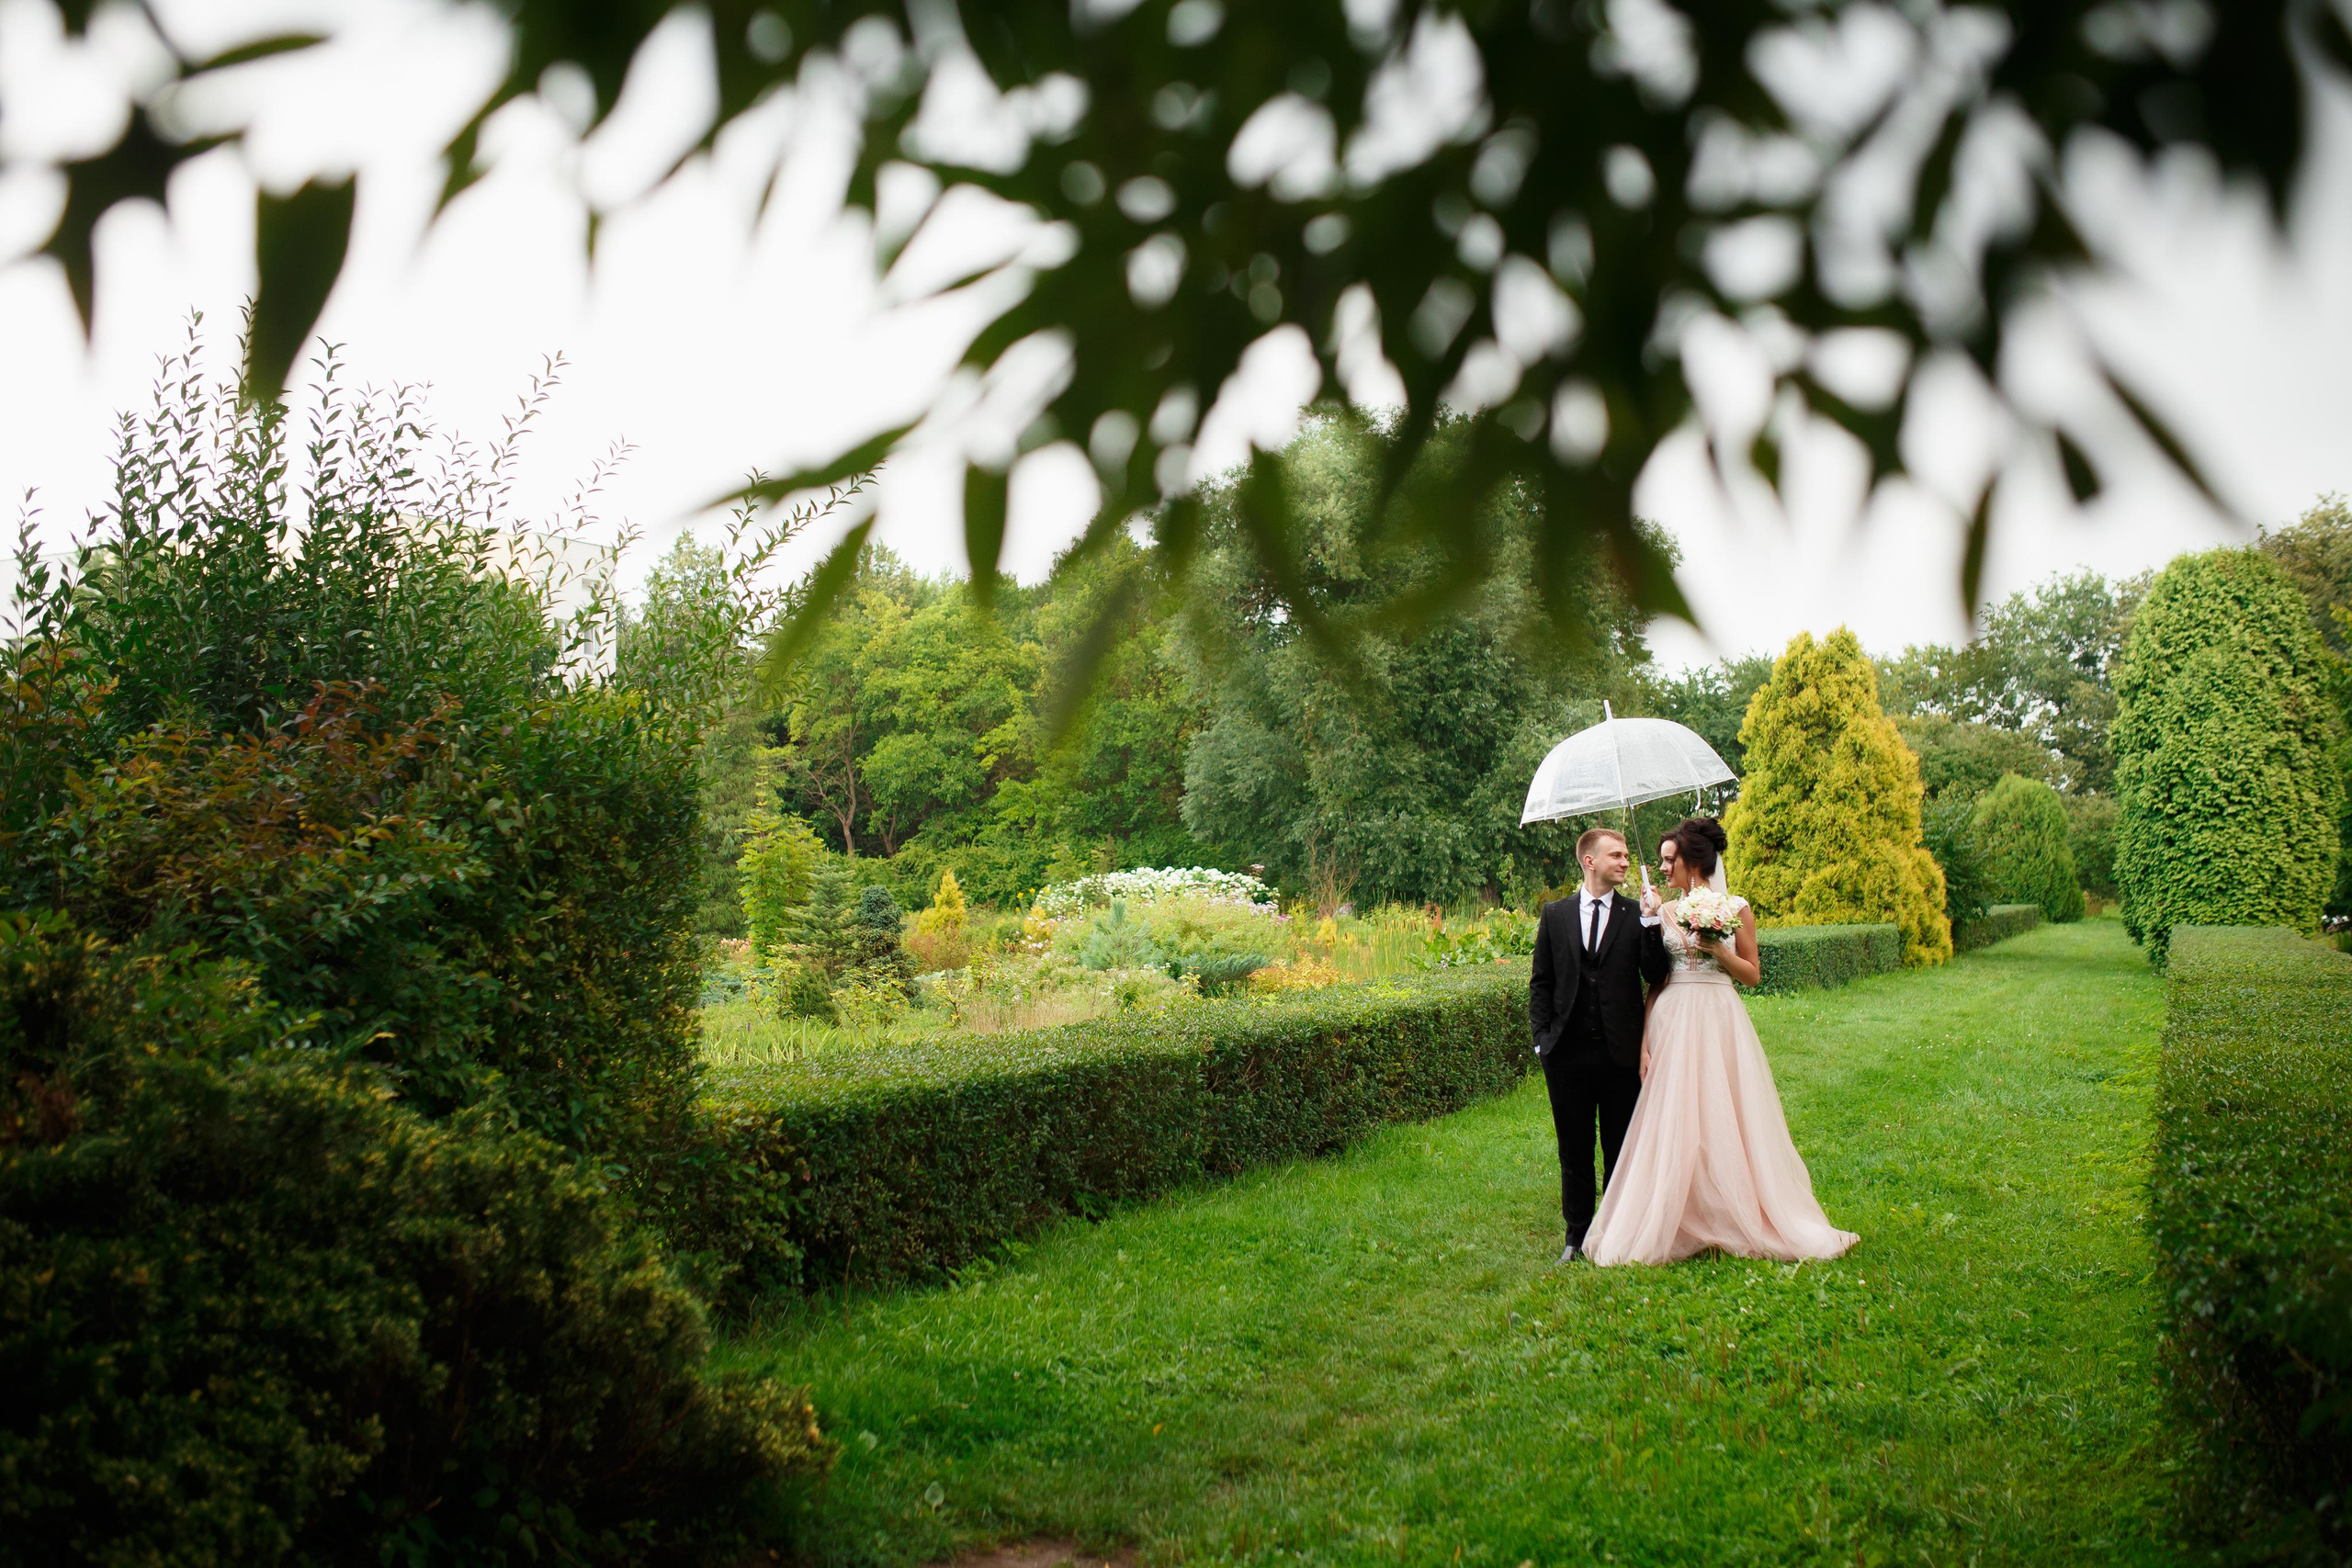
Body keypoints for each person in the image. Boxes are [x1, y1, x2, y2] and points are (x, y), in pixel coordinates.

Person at [1580, 818, 1859, 1267]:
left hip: (1720, 1017)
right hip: (1672, 1019)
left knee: (1724, 1109)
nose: (1664, 868)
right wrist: (1645, 1043)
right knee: (1672, 1116)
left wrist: (1721, 951)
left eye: (1671, 860)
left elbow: (1753, 974)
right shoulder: (1665, 912)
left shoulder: (1737, 907)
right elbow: (1657, 980)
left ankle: (1735, 1210)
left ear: (1693, 862)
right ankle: (1675, 1213)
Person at [1529, 826, 1670, 1264]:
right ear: (1590, 861)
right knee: (1573, 1149)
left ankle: (1613, 1232)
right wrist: (1541, 1042)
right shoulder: (1555, 915)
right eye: (1617, 855)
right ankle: (1576, 1236)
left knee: (1618, 1147)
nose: (1626, 862)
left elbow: (1657, 973)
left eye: (1628, 855)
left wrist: (1651, 923)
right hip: (1565, 1053)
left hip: (1619, 1052)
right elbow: (1541, 982)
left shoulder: (1635, 913)